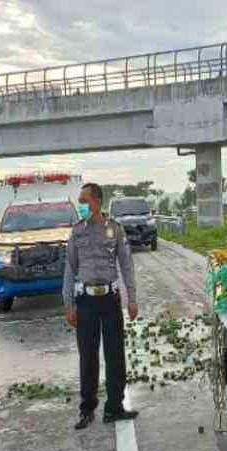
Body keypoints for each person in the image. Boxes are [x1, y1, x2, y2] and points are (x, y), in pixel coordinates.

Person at [63, 183, 139, 430]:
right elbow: (70, 269)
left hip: (110, 300)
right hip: (85, 302)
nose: (80, 205)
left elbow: (126, 265)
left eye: (84, 200)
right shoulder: (76, 232)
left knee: (115, 355)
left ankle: (114, 407)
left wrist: (132, 299)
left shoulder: (114, 229)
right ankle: (87, 409)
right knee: (88, 356)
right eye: (79, 201)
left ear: (96, 202)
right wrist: (68, 304)